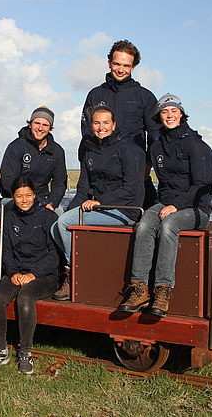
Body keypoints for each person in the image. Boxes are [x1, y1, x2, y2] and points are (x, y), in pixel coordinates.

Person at [118, 94, 212, 317]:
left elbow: (203, 184)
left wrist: (177, 205)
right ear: (159, 116)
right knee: (143, 225)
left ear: (181, 113)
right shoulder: (157, 145)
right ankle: (139, 287)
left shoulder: (198, 146)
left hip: (196, 208)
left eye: (173, 111)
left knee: (169, 226)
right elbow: (146, 172)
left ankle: (162, 289)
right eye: (164, 112)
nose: (169, 115)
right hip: (165, 203)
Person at [51, 105, 145, 300]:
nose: (101, 127)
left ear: (114, 124)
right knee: (55, 227)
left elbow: (132, 189)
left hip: (124, 210)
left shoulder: (129, 150)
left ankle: (75, 275)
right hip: (100, 207)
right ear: (91, 125)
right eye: (96, 123)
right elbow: (83, 188)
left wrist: (101, 202)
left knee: (65, 223)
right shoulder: (90, 151)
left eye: (105, 123)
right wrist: (72, 209)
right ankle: (78, 267)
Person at [0, 176, 60, 374]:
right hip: (16, 271)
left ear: (35, 195)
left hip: (45, 275)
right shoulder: (8, 215)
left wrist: (34, 274)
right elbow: (6, 250)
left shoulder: (48, 217)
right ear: (13, 197)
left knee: (25, 297)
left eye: (28, 195)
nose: (24, 200)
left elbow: (55, 255)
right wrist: (13, 272)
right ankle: (0, 351)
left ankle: (25, 353)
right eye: (19, 196)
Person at [81, 39, 159, 207]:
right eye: (117, 64)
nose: (121, 70)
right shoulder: (95, 95)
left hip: (134, 170)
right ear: (109, 63)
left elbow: (156, 134)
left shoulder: (144, 96)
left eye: (126, 66)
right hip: (102, 172)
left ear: (133, 67)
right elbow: (87, 133)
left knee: (144, 216)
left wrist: (147, 164)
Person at [0, 106, 67, 213]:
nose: (40, 128)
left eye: (45, 125)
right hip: (14, 198)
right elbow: (8, 180)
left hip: (43, 199)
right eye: (37, 123)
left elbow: (60, 182)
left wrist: (52, 203)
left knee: (58, 213)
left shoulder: (57, 151)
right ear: (30, 125)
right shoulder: (16, 146)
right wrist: (26, 199)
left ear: (50, 128)